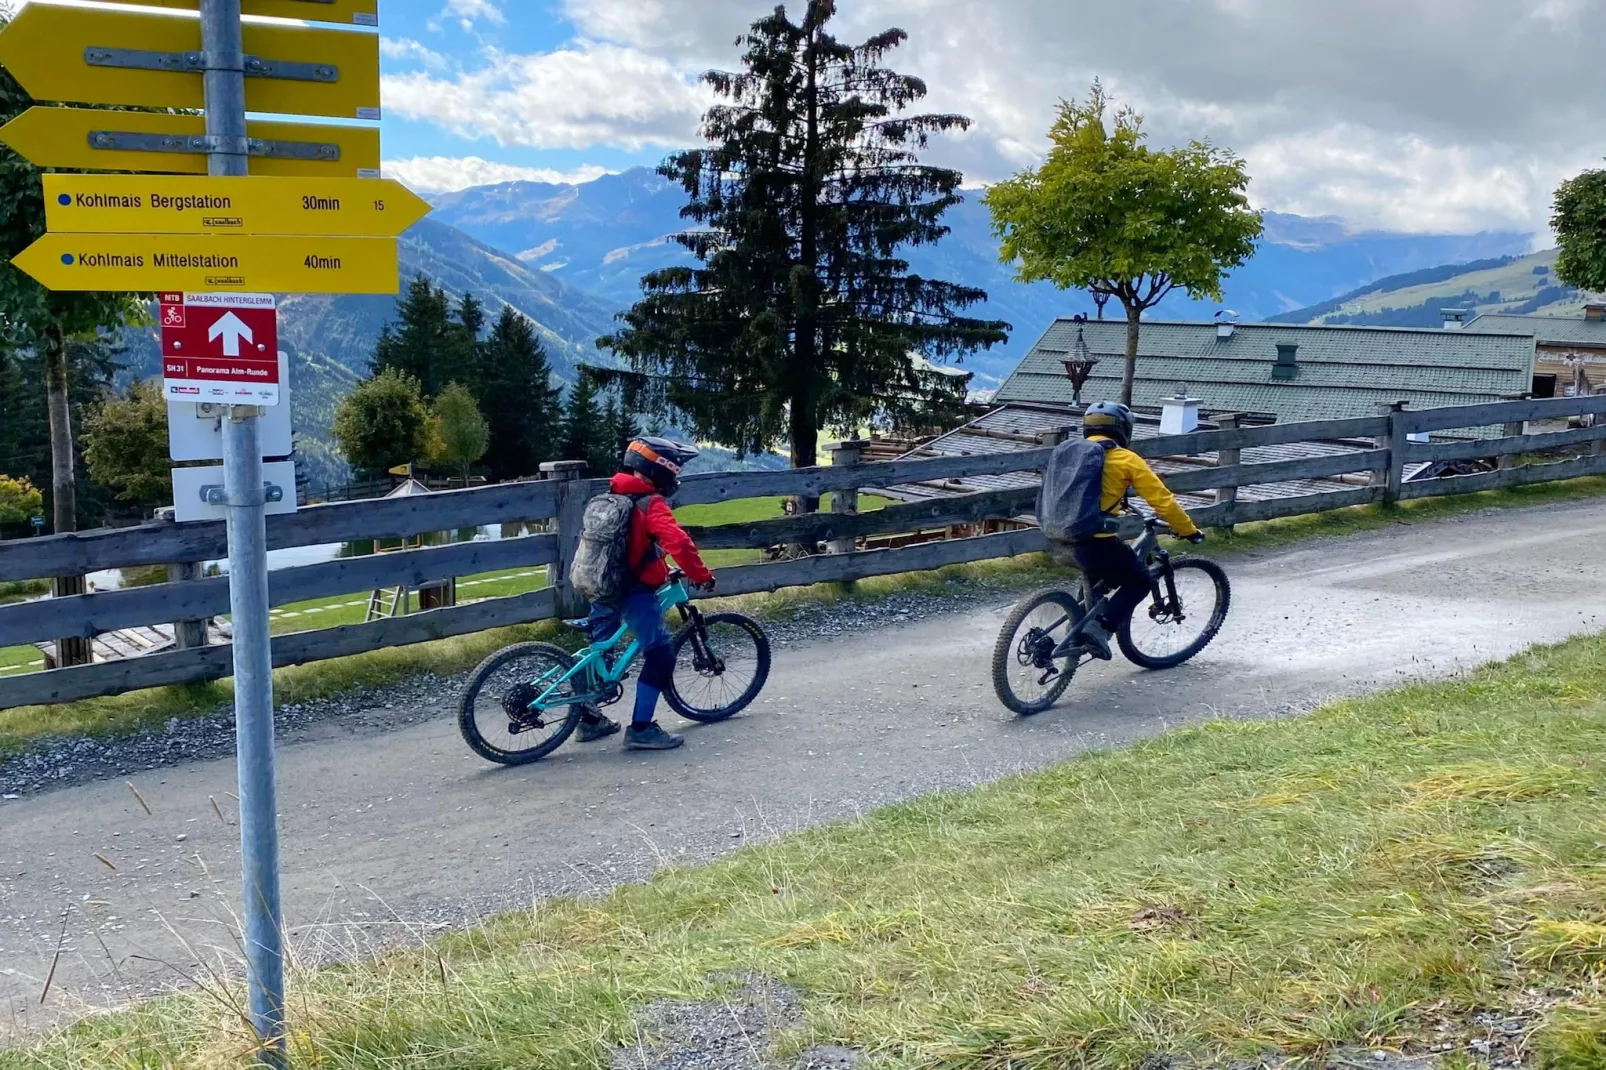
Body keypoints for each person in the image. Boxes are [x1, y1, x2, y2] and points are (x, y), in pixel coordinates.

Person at [576, 436, 716, 751]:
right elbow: (678, 543)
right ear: (660, 470)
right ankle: (640, 728)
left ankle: (588, 719)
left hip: (600, 583)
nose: (676, 477)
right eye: (675, 470)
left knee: (599, 649)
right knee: (660, 654)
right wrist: (701, 576)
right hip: (634, 591)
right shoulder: (650, 503)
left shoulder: (611, 494)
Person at [1067, 402, 1205, 661]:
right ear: (1122, 429)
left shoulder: (1069, 453)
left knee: (1105, 571)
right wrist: (1188, 530)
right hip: (1094, 542)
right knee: (1141, 580)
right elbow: (1162, 501)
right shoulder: (1125, 459)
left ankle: (1076, 623)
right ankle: (1100, 628)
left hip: (1058, 537)